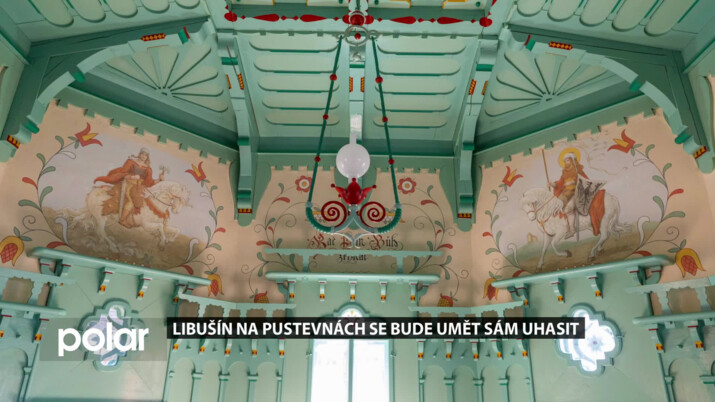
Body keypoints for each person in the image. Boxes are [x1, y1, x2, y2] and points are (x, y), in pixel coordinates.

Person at [94, 148, 164, 228]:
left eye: (146, 155)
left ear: (147, 157)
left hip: (138, 187)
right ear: (139, 154)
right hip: (128, 184)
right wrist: (131, 177)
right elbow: (123, 173)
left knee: (145, 199)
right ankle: (122, 219)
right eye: (142, 154)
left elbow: (149, 182)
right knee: (131, 200)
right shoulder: (131, 162)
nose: (144, 156)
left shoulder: (148, 169)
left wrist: (159, 179)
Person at [549, 151, 589, 239]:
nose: (566, 162)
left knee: (568, 209)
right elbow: (560, 183)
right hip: (566, 193)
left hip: (577, 193)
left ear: (572, 160)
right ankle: (562, 226)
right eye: (565, 161)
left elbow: (586, 181)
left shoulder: (578, 170)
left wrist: (574, 182)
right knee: (557, 204)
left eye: (567, 160)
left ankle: (572, 230)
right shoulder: (564, 172)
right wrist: (552, 184)